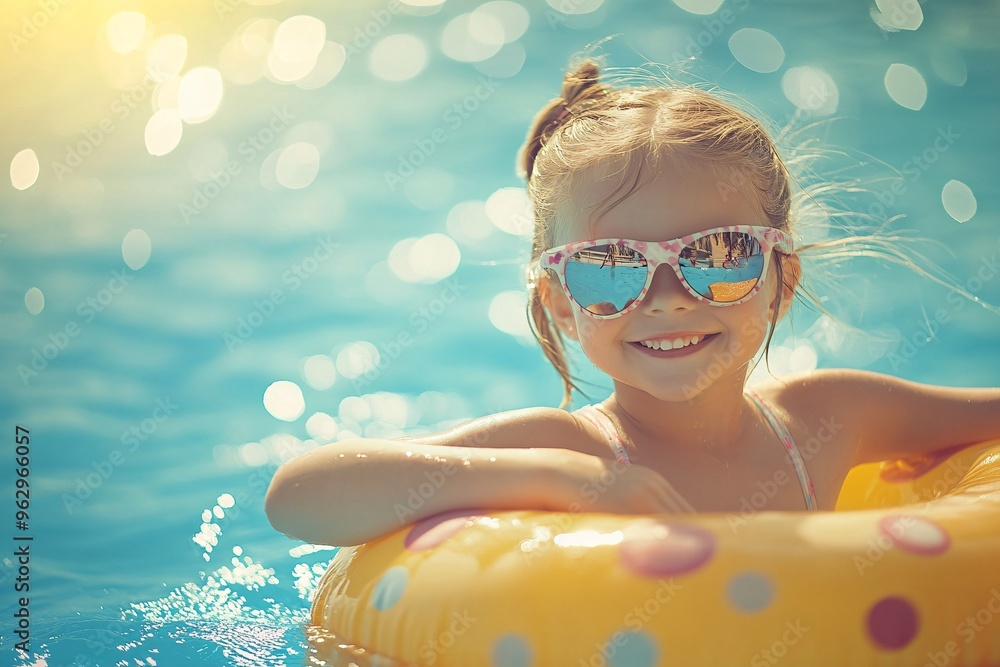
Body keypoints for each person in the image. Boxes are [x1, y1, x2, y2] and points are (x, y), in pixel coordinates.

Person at [265, 57, 1000, 548]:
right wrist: (558, 480)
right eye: (610, 269)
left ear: (782, 280)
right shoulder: (571, 450)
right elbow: (299, 495)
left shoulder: (828, 420)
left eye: (716, 256)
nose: (668, 299)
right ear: (559, 303)